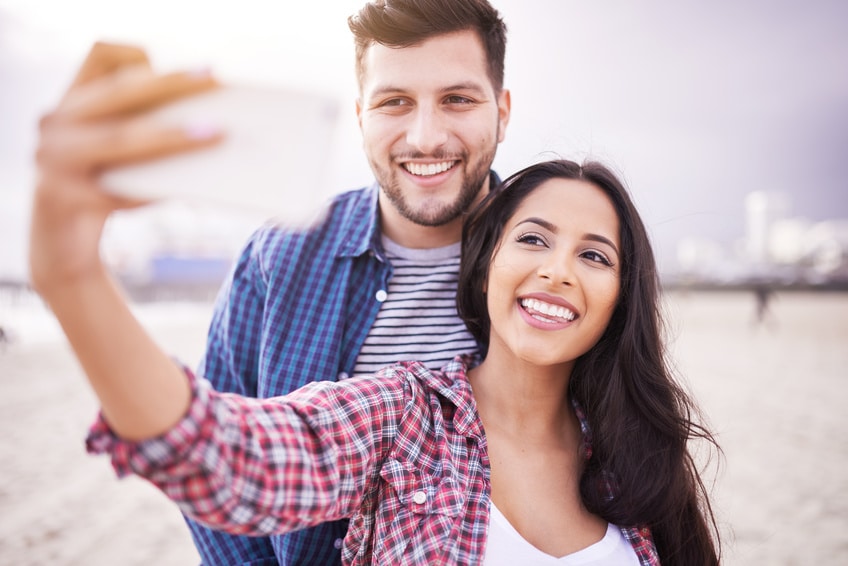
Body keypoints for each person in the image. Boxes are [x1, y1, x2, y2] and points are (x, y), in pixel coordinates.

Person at [29, 156, 722, 565]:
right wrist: (71, 277)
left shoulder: (638, 451)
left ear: (618, 297)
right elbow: (234, 456)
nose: (558, 272)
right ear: (485, 267)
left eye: (594, 255)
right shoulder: (401, 417)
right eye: (533, 240)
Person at [33, 0, 511, 563]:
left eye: (457, 99)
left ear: (502, 111)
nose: (426, 136)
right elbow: (216, 459)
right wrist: (70, 271)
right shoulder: (278, 256)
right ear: (360, 116)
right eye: (394, 102)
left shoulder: (556, 269)